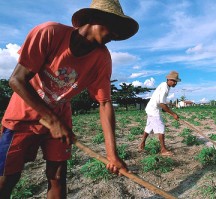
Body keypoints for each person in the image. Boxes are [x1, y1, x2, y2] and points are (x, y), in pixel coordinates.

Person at [0, 0, 138, 198]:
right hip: (22, 117)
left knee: (57, 176)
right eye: (113, 28)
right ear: (93, 19)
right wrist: (52, 120)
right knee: (8, 178)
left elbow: (105, 103)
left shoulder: (101, 59)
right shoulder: (49, 33)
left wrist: (111, 154)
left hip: (60, 118)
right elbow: (16, 80)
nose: (115, 36)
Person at [138, 71, 181, 156]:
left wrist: (166, 109)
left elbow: (161, 102)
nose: (175, 83)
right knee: (161, 128)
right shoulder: (165, 88)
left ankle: (141, 145)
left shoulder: (165, 86)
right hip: (154, 110)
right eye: (174, 81)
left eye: (176, 81)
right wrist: (173, 114)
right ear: (168, 79)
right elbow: (162, 103)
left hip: (151, 108)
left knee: (148, 127)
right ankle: (163, 149)